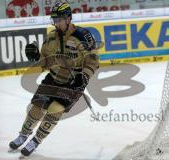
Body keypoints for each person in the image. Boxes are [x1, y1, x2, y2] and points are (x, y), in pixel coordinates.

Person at [9, 1, 99, 156]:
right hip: (53, 78)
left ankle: (35, 141)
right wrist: (35, 56)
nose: (56, 23)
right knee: (37, 106)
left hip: (74, 82)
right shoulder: (51, 37)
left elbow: (93, 60)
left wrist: (83, 77)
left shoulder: (83, 36)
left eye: (59, 19)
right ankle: (23, 135)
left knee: (55, 109)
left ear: (68, 18)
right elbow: (45, 60)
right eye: (54, 20)